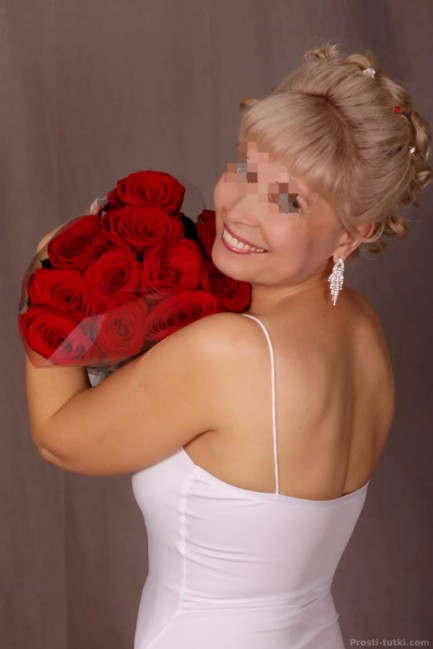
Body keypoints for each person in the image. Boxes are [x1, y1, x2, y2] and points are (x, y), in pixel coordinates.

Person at [25, 43, 432, 649]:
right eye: (244, 169)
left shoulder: (231, 351)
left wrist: (52, 274)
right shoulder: (362, 326)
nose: (240, 210)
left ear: (351, 235)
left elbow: (58, 438)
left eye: (287, 200)